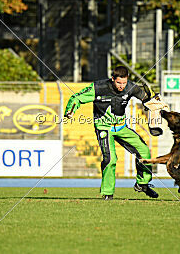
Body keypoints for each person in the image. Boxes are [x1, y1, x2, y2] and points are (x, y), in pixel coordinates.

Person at [64, 65, 158, 200]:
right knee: (110, 159)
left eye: (124, 83)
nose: (121, 86)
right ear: (113, 78)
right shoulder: (98, 87)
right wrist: (70, 111)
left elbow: (147, 99)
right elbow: (76, 98)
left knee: (144, 150)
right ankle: (107, 193)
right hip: (104, 127)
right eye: (119, 82)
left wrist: (152, 102)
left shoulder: (131, 87)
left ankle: (142, 183)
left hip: (121, 127)